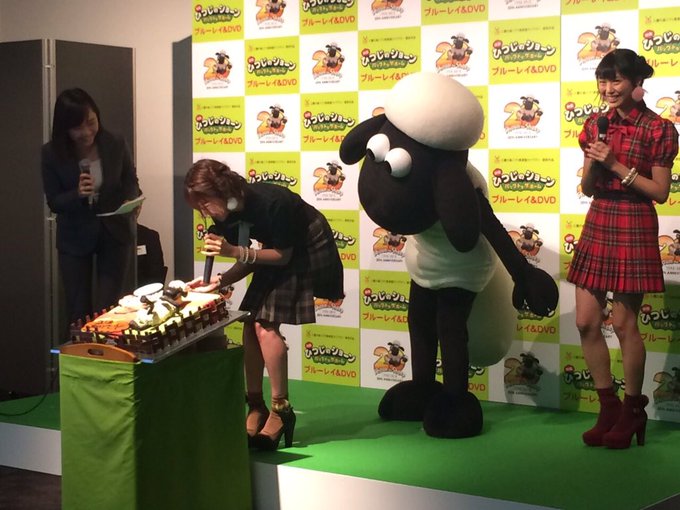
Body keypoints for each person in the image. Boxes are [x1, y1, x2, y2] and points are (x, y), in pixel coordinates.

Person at [184, 158, 344, 450]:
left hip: (305, 245)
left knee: (264, 324)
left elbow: (282, 256)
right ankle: (255, 405)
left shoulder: (272, 203)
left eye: (205, 204)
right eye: (200, 208)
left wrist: (233, 250)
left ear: (222, 191)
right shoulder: (228, 214)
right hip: (277, 251)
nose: (204, 213)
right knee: (249, 321)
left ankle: (281, 410)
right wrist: (218, 281)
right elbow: (249, 258)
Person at [567, 49, 679, 449]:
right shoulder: (595, 124)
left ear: (636, 83)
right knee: (586, 321)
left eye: (616, 80)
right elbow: (586, 187)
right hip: (599, 216)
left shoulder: (658, 129)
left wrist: (615, 164)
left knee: (623, 323)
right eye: (603, 80)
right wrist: (595, 164)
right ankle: (608, 407)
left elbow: (660, 192)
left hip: (634, 220)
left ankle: (633, 410)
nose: (608, 88)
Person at [42, 88, 140, 330]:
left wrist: (132, 201)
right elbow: (54, 202)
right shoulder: (51, 153)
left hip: (114, 231)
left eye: (91, 122)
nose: (86, 132)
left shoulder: (115, 142)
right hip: (74, 237)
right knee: (78, 311)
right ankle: (81, 352)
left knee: (111, 308)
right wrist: (77, 194)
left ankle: (108, 351)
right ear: (65, 128)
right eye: (78, 127)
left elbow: (130, 180)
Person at [135, 205, 166, 286]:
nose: (136, 211)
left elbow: (156, 273)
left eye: (138, 207)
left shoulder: (149, 236)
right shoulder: (108, 237)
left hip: (144, 290)